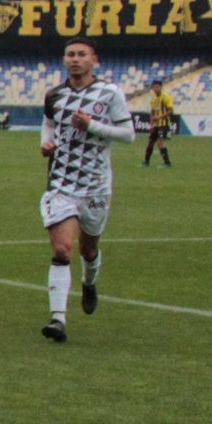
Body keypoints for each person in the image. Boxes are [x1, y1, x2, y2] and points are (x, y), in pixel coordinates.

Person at [38, 38, 133, 343]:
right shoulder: (54, 95)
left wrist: (92, 126)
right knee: (62, 249)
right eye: (70, 55)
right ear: (64, 60)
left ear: (94, 60)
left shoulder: (110, 93)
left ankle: (89, 281)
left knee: (88, 249)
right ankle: (57, 320)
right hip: (61, 183)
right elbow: (49, 124)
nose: (75, 59)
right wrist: (46, 143)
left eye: (81, 54)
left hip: (95, 186)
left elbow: (128, 134)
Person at [143, 88, 174, 168]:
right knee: (150, 142)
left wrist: (159, 117)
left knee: (160, 141)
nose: (155, 89)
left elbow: (170, 111)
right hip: (156, 125)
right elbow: (152, 113)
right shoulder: (154, 99)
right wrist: (152, 125)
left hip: (163, 124)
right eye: (154, 87)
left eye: (157, 86)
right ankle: (146, 162)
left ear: (160, 87)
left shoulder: (166, 97)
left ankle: (167, 163)